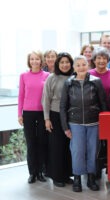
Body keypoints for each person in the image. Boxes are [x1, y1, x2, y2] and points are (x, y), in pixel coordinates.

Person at [60, 55, 107, 192]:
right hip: (75, 123)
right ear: (74, 67)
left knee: (93, 151)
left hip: (94, 123)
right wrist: (65, 127)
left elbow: (102, 103)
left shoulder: (96, 81)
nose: (81, 67)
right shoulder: (68, 83)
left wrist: (105, 123)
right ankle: (77, 178)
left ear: (88, 66)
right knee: (77, 152)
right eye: (78, 65)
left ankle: (91, 178)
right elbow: (63, 106)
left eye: (84, 64)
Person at [41, 52, 74, 187]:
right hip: (55, 115)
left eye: (67, 62)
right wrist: (47, 119)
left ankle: (66, 175)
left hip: (71, 116)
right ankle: (57, 176)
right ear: (57, 64)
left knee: (68, 147)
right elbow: (46, 100)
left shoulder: (74, 77)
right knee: (57, 147)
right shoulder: (51, 78)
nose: (65, 65)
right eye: (62, 62)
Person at [18, 51, 50, 184]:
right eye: (32, 59)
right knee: (31, 144)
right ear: (29, 61)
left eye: (37, 59)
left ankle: (41, 172)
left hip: (43, 113)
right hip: (28, 113)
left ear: (41, 61)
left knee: (42, 143)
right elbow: (20, 95)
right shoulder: (23, 76)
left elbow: (48, 96)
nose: (35, 61)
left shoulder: (47, 75)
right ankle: (32, 173)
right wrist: (20, 114)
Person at [89, 47, 110, 177]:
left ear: (108, 60)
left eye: (104, 58)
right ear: (94, 60)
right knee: (95, 143)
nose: (101, 61)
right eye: (98, 58)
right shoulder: (88, 74)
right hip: (93, 114)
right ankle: (95, 170)